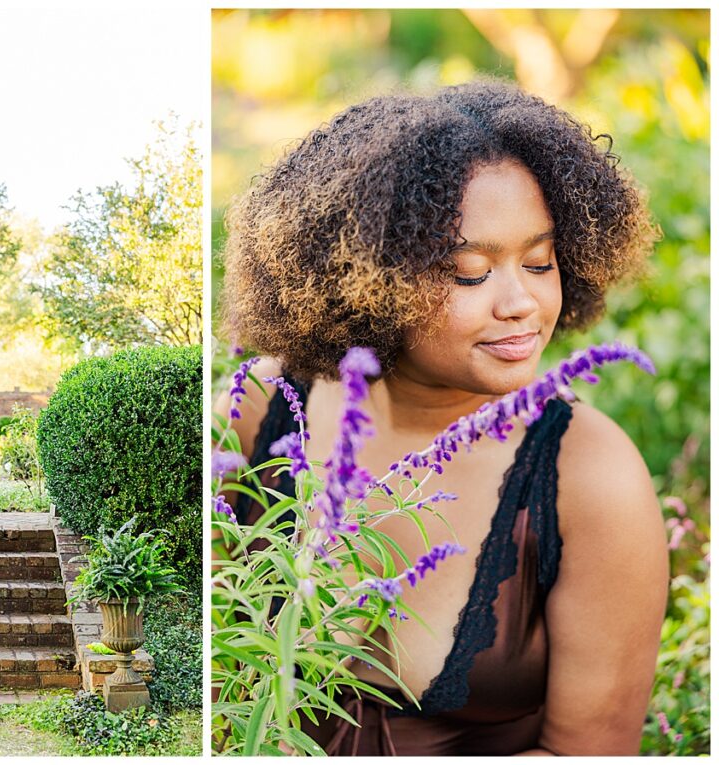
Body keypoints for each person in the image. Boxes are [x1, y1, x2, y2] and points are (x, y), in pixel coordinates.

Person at [214, 80, 669, 755]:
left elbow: (589, 751)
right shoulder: (261, 409)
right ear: (370, 275)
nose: (521, 302)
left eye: (540, 261)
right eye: (468, 270)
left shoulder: (592, 477)